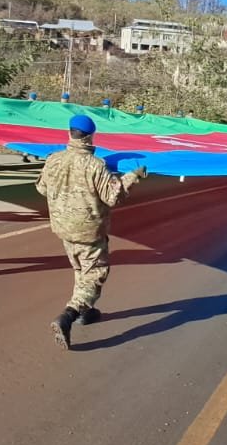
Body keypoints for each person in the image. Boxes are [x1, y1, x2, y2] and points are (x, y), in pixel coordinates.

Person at [36, 115, 147, 349]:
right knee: (95, 274)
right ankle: (69, 315)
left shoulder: (53, 159)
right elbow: (113, 196)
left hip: (63, 228)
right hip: (89, 231)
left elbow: (41, 188)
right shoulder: (95, 165)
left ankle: (86, 312)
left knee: (80, 268)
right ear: (90, 136)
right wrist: (133, 176)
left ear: (70, 133)